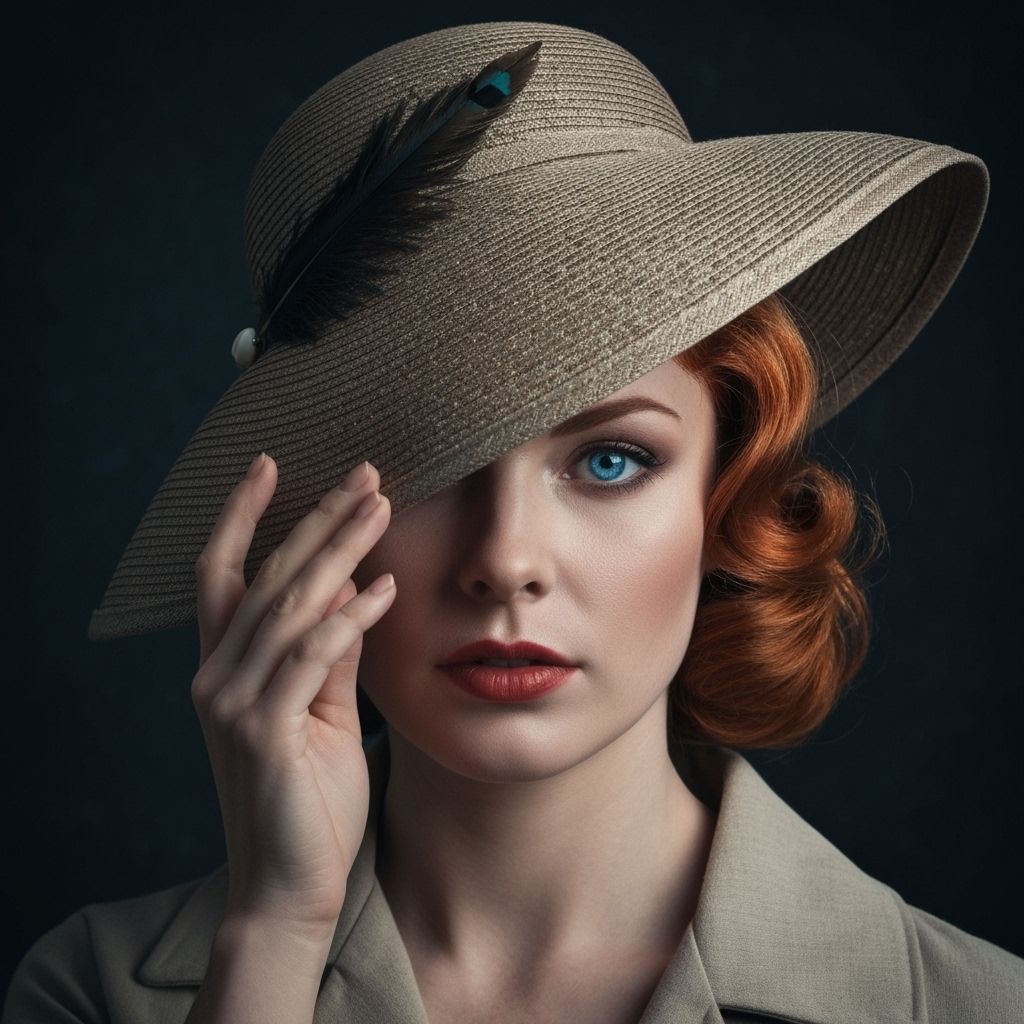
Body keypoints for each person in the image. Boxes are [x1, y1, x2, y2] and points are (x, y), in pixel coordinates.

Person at [5, 19, 1023, 1024]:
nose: (505, 561)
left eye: (611, 460)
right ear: (297, 528)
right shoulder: (92, 991)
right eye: (421, 469)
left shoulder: (970, 1007)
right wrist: (274, 931)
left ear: (725, 494)